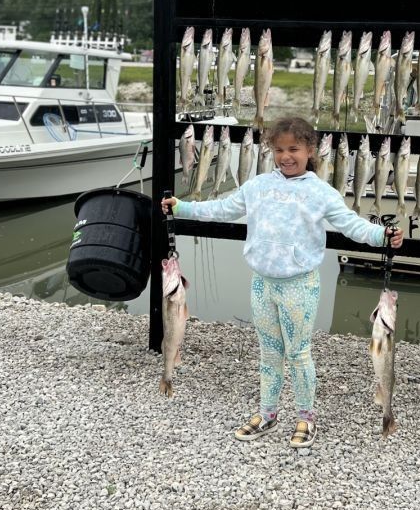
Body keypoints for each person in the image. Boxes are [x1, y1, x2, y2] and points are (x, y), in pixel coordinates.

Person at [161, 115, 403, 449]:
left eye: (294, 149)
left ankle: (306, 417)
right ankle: (267, 413)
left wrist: (381, 235)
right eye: (279, 150)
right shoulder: (258, 186)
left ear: (310, 150)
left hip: (300, 286)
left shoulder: (321, 192)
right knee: (268, 353)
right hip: (262, 284)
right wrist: (182, 207)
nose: (286, 156)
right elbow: (222, 209)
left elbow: (352, 225)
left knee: (299, 354)